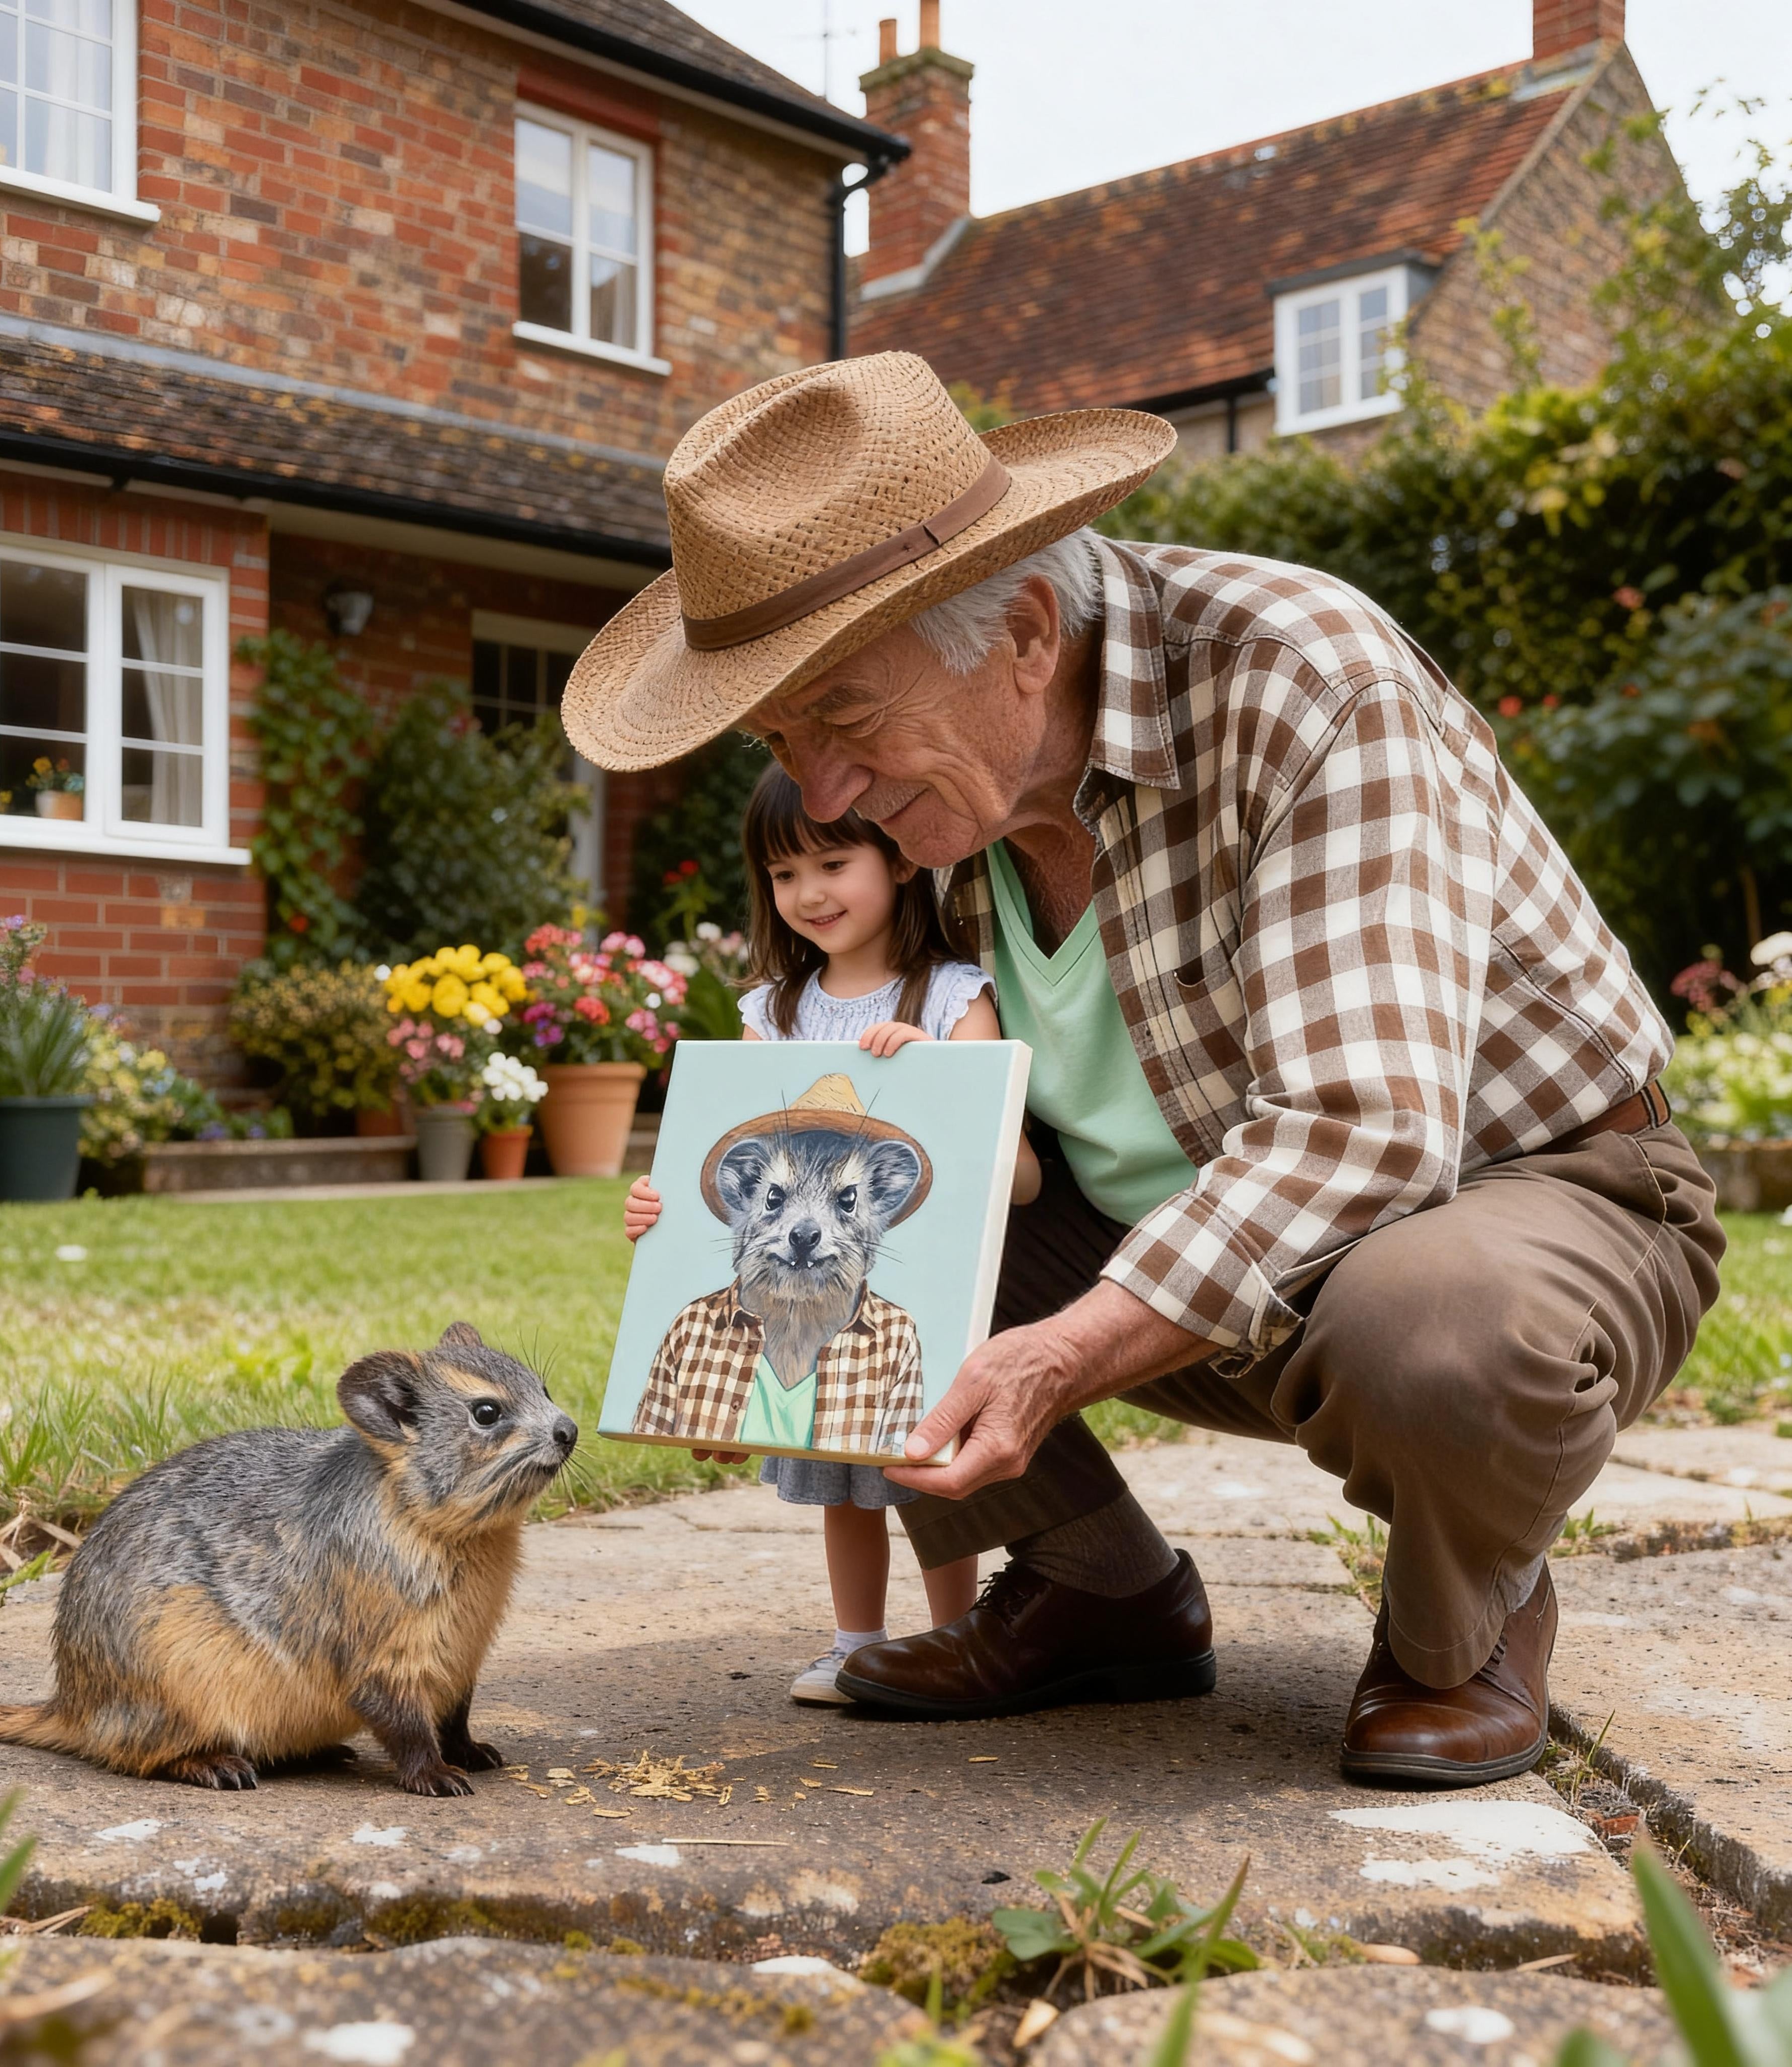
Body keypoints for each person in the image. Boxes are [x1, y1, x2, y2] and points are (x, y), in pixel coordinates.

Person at [569, 351, 1723, 1786]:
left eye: (848, 722)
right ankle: (1099, 1589)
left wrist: (1064, 1352)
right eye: (780, 741)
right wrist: (729, 1298)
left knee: (1427, 1326)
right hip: (1185, 1232)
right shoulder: (961, 792)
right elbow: (912, 1111)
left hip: (1519, 1192)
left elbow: (1365, 1131)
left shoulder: (1303, 680)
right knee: (850, 1234)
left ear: (1028, 637)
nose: (821, 796)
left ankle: (1464, 1620)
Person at [624, 763, 1039, 1706]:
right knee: (839, 1481)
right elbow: (725, 1178)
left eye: (833, 862)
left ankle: (950, 1639)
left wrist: (944, 1080)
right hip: (799, 1312)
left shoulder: (951, 998)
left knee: (924, 1476)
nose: (809, 893)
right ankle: (855, 1642)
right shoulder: (770, 1012)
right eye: (783, 874)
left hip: (907, 1305)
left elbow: (1019, 1179)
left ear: (897, 860)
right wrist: (659, 1216)